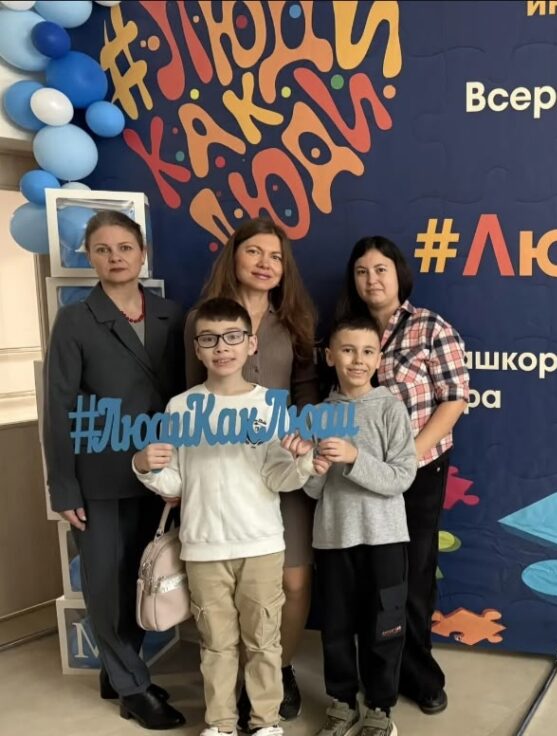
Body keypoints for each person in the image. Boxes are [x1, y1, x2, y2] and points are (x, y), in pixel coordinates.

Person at [133, 297, 316, 736]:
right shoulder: (180, 407)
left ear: (251, 344)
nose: (222, 347)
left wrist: (304, 462)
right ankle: (220, 723)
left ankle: (266, 721)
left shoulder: (271, 406)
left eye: (232, 337)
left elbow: (278, 476)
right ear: (197, 349)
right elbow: (176, 484)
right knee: (215, 644)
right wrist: (145, 466)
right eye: (210, 339)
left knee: (264, 642)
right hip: (203, 547)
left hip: (261, 545)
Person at [43, 210, 187, 729]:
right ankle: (133, 688)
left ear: (142, 253)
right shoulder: (75, 320)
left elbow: (185, 398)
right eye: (102, 249)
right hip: (99, 475)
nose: (115, 257)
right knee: (105, 582)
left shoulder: (172, 314)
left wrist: (182, 475)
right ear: (89, 257)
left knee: (141, 578)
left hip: (158, 474)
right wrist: (63, 487)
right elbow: (58, 408)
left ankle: (118, 671)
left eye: (125, 247)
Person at [184, 217, 318, 721]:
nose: (265, 264)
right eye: (255, 252)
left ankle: (278, 669)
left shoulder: (295, 320)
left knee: (294, 581)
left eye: (276, 257)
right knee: (228, 589)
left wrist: (302, 437)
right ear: (234, 257)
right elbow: (188, 394)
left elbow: (305, 389)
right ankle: (238, 681)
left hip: (283, 462)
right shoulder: (202, 318)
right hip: (226, 474)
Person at [336, 236, 470, 715]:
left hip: (419, 468)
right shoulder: (346, 331)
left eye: (381, 270)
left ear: (399, 275)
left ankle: (419, 675)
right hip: (356, 474)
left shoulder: (430, 327)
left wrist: (408, 458)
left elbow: (454, 399)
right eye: (362, 271)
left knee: (411, 577)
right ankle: (375, 678)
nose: (371, 280)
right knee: (370, 577)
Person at [305, 315, 418, 736]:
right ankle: (341, 703)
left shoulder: (390, 408)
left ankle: (380, 708)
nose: (358, 360)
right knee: (335, 626)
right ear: (330, 356)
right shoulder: (317, 415)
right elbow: (313, 490)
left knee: (385, 625)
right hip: (334, 538)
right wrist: (314, 467)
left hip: (385, 538)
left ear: (378, 358)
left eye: (368, 351)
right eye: (348, 350)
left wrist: (354, 457)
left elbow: (401, 477)